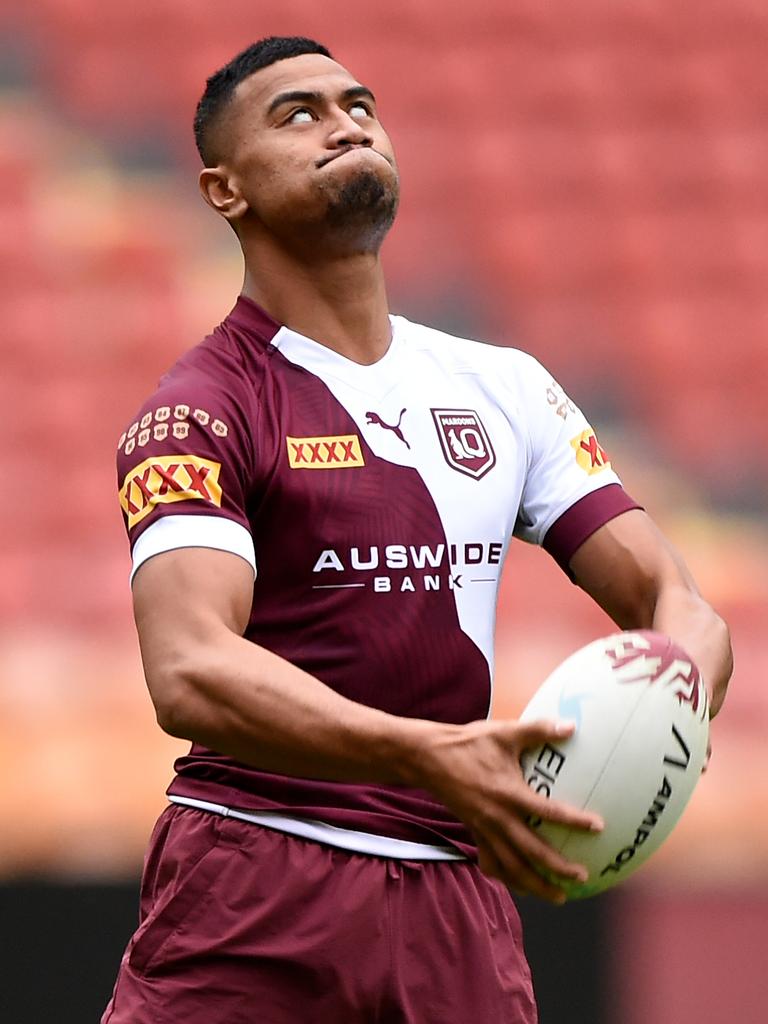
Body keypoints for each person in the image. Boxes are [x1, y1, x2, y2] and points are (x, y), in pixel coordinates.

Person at [102, 36, 732, 1024]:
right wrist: (424, 755)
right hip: (257, 884)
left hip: (456, 904)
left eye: (360, 104)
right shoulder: (199, 410)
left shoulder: (507, 390)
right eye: (297, 114)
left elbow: (675, 604)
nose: (345, 123)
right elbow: (189, 669)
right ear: (225, 191)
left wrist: (676, 699)